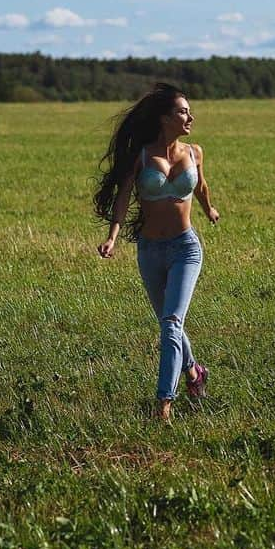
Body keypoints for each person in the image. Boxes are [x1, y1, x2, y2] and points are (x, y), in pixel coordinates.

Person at [94, 82, 220, 421]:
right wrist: (113, 237)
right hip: (150, 251)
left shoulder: (194, 152)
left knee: (171, 322)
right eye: (183, 111)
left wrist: (209, 210)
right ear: (165, 118)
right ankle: (195, 373)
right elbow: (122, 198)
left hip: (185, 247)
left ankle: (164, 403)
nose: (190, 117)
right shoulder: (142, 156)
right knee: (170, 324)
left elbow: (203, 185)